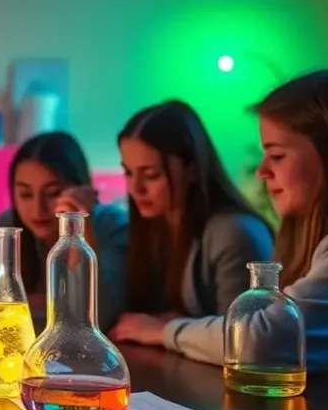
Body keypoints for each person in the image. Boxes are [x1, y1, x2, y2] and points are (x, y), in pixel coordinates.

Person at [112, 70, 328, 388]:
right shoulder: (324, 237)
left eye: (277, 155)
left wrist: (165, 331)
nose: (262, 171)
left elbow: (259, 339)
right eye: (128, 173)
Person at [109, 100, 274, 339]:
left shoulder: (233, 232)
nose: (136, 189)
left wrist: (168, 329)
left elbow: (244, 336)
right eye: (128, 172)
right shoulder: (151, 228)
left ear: (193, 169)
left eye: (151, 175)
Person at [0, 132, 128, 334]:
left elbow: (97, 318)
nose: (38, 209)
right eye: (26, 194)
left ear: (82, 188)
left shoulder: (111, 224)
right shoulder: (11, 227)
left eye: (53, 193)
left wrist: (80, 227)